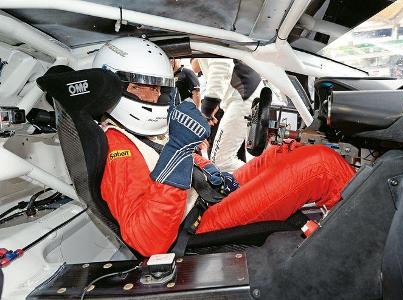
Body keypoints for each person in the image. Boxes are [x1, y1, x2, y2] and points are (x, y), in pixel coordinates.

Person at [93, 37, 355, 257]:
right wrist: (178, 150)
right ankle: (369, 245)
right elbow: (148, 241)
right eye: (143, 87)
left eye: (158, 87)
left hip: (208, 194)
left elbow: (174, 168)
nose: (155, 96)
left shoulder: (136, 131)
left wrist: (195, 157)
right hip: (197, 221)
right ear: (114, 89)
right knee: (321, 166)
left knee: (286, 152)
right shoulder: (118, 147)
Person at [197, 58, 262, 172]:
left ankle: (262, 182)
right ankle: (258, 180)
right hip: (244, 93)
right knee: (224, 159)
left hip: (242, 95)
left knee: (221, 161)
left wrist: (208, 107)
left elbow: (221, 65)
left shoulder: (204, 40)